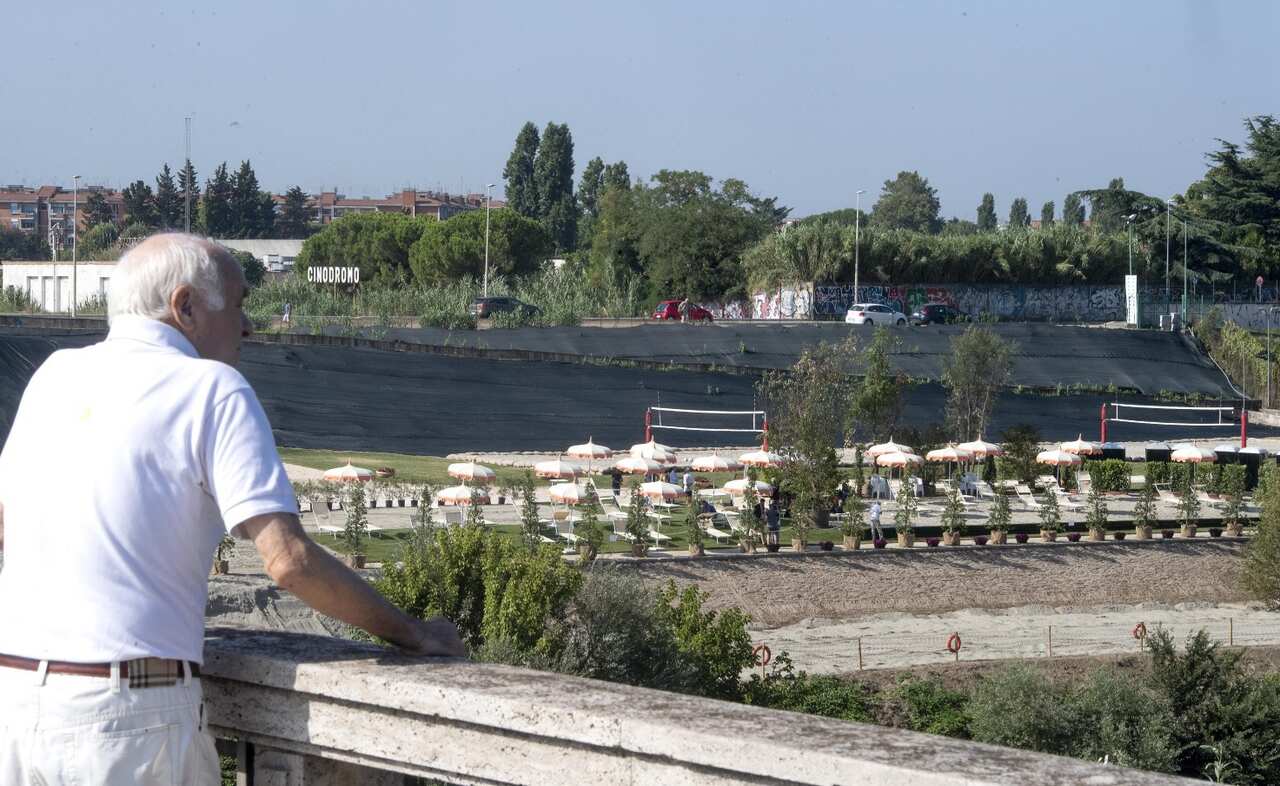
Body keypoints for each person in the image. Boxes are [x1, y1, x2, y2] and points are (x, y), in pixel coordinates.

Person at [0, 234, 464, 785]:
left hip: (17, 701)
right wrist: (414, 634)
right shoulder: (212, 387)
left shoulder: (55, 374)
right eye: (239, 303)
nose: (248, 327)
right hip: (128, 719)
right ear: (186, 306)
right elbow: (288, 561)